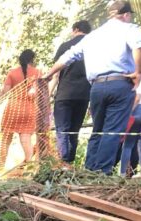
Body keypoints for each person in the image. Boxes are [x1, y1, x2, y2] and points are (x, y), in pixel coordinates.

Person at [44, 0, 141, 175]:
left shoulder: (93, 36)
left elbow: (69, 56)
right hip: (120, 84)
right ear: (126, 15)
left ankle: (90, 170)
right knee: (112, 131)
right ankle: (102, 172)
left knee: (98, 129)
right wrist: (139, 72)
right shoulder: (130, 29)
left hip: (97, 88)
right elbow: (139, 46)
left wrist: (48, 73)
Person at [52, 20, 93, 164]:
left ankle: (63, 162)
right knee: (74, 130)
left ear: (75, 30)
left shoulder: (65, 46)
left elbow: (56, 73)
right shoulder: (94, 47)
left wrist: (49, 93)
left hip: (64, 94)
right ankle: (69, 162)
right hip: (84, 95)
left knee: (62, 130)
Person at [0, 50, 40, 168]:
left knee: (6, 139)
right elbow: (37, 92)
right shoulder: (37, 72)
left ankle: (1, 167)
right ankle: (30, 168)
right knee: (26, 140)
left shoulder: (12, 73)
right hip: (28, 109)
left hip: (13, 109)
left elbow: (6, 92)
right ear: (32, 59)